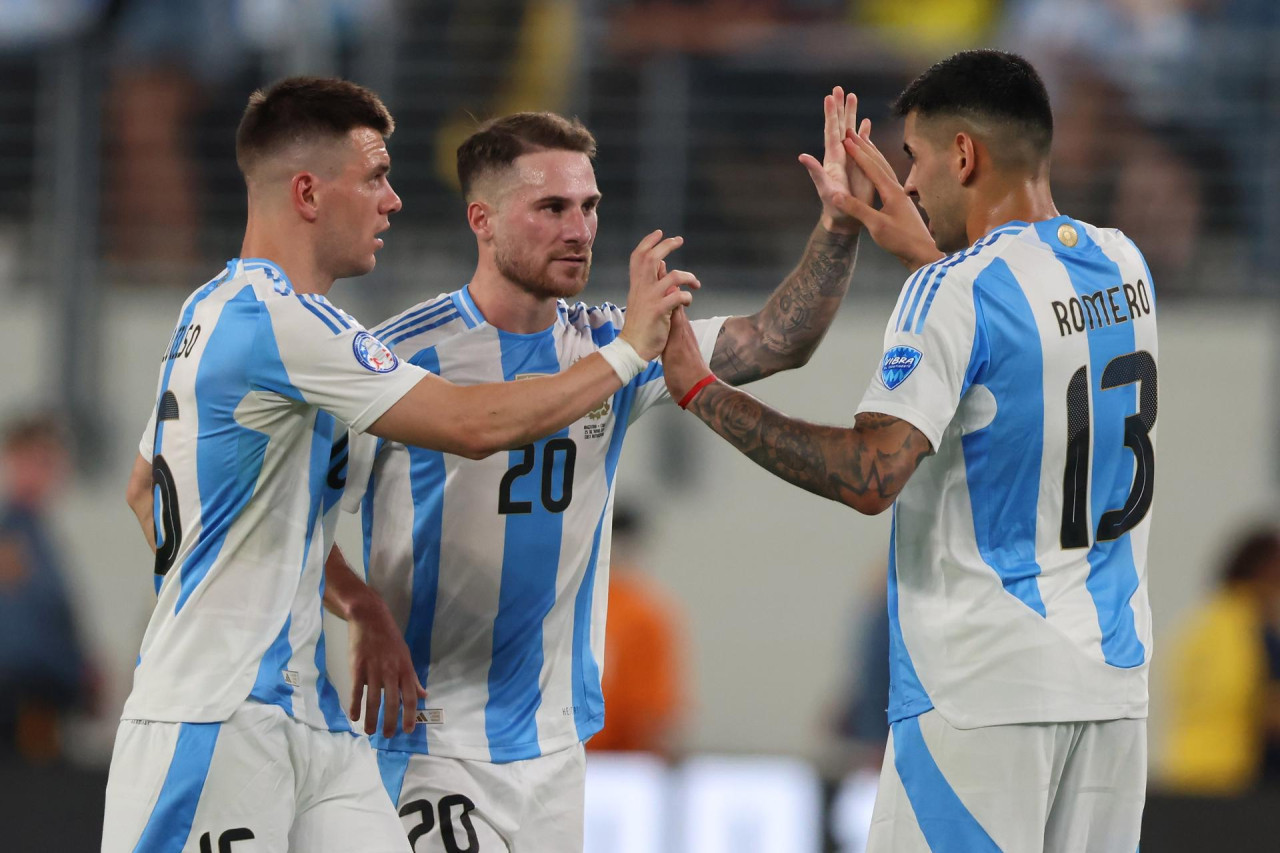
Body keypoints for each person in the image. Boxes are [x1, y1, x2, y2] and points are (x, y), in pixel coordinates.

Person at [103, 76, 692, 853]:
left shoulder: (212, 309)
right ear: (309, 192)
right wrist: (628, 351)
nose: (394, 201)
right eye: (375, 178)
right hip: (214, 716)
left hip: (307, 716)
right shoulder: (286, 323)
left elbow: (146, 487)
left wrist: (359, 603)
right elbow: (470, 422)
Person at [341, 90, 913, 852]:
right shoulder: (395, 357)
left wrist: (839, 226)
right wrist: (361, 607)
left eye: (590, 205)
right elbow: (285, 513)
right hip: (426, 742)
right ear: (482, 220)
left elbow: (777, 340)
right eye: (551, 207)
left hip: (556, 749)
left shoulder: (616, 340)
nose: (579, 229)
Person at [662, 50, 1156, 851]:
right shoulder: (1123, 264)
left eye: (914, 160)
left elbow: (871, 473)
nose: (911, 185)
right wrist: (927, 258)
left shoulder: (950, 293)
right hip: (1113, 687)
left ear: (964, 155)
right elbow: (1024, 341)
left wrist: (700, 391)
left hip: (982, 690)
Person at [0, 413, 94, 764]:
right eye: (33, 461)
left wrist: (84, 669)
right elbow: (21, 647)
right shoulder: (13, 538)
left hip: (47, 711)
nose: (41, 474)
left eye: (48, 462)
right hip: (22, 714)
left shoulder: (40, 538)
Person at [1162, 527, 1280, 794]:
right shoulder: (1249, 626)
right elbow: (1258, 704)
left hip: (1184, 768)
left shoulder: (1201, 623)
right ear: (1265, 572)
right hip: (1231, 778)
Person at [585, 504, 688, 757]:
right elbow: (654, 716)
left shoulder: (568, 602)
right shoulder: (643, 612)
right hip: (617, 762)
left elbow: (653, 713)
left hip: (574, 755)